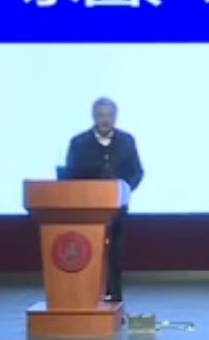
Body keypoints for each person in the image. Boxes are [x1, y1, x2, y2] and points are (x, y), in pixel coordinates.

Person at [64, 97, 144, 303]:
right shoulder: (78, 143)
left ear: (115, 117)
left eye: (109, 115)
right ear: (93, 116)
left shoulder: (127, 141)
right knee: (86, 254)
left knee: (114, 255)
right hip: (86, 212)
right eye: (101, 115)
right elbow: (69, 176)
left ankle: (115, 298)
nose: (105, 120)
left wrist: (124, 188)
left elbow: (137, 172)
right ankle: (85, 297)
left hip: (116, 211)